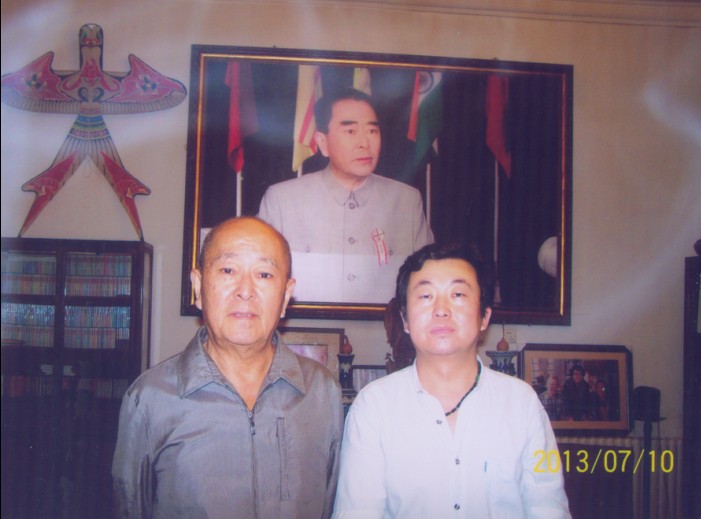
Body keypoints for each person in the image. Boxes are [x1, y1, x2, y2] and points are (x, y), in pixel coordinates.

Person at [112, 217, 344, 518]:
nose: (245, 290)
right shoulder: (149, 399)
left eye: (264, 274)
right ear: (198, 286)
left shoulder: (322, 392)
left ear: (286, 295)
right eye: (228, 270)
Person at [333, 243, 570, 518]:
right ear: (405, 320)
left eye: (458, 294)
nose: (441, 310)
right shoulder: (373, 407)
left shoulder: (522, 403)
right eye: (426, 296)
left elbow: (548, 508)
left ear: (484, 316)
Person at [258, 87, 433, 304]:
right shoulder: (282, 201)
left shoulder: (406, 201)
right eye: (350, 131)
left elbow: (429, 281)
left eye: (372, 131)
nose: (364, 143)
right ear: (322, 142)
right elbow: (260, 280)